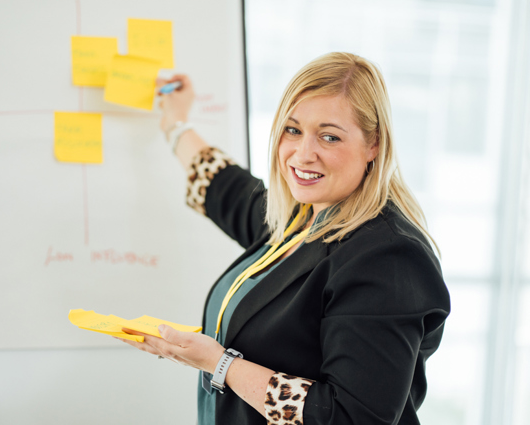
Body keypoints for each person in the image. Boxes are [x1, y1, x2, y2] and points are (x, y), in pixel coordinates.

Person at [116, 52, 451, 425]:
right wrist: (175, 122)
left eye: (329, 136)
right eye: (293, 130)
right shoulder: (299, 217)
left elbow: (353, 418)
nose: (303, 154)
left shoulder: (387, 258)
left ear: (373, 144)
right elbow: (220, 184)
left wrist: (218, 363)